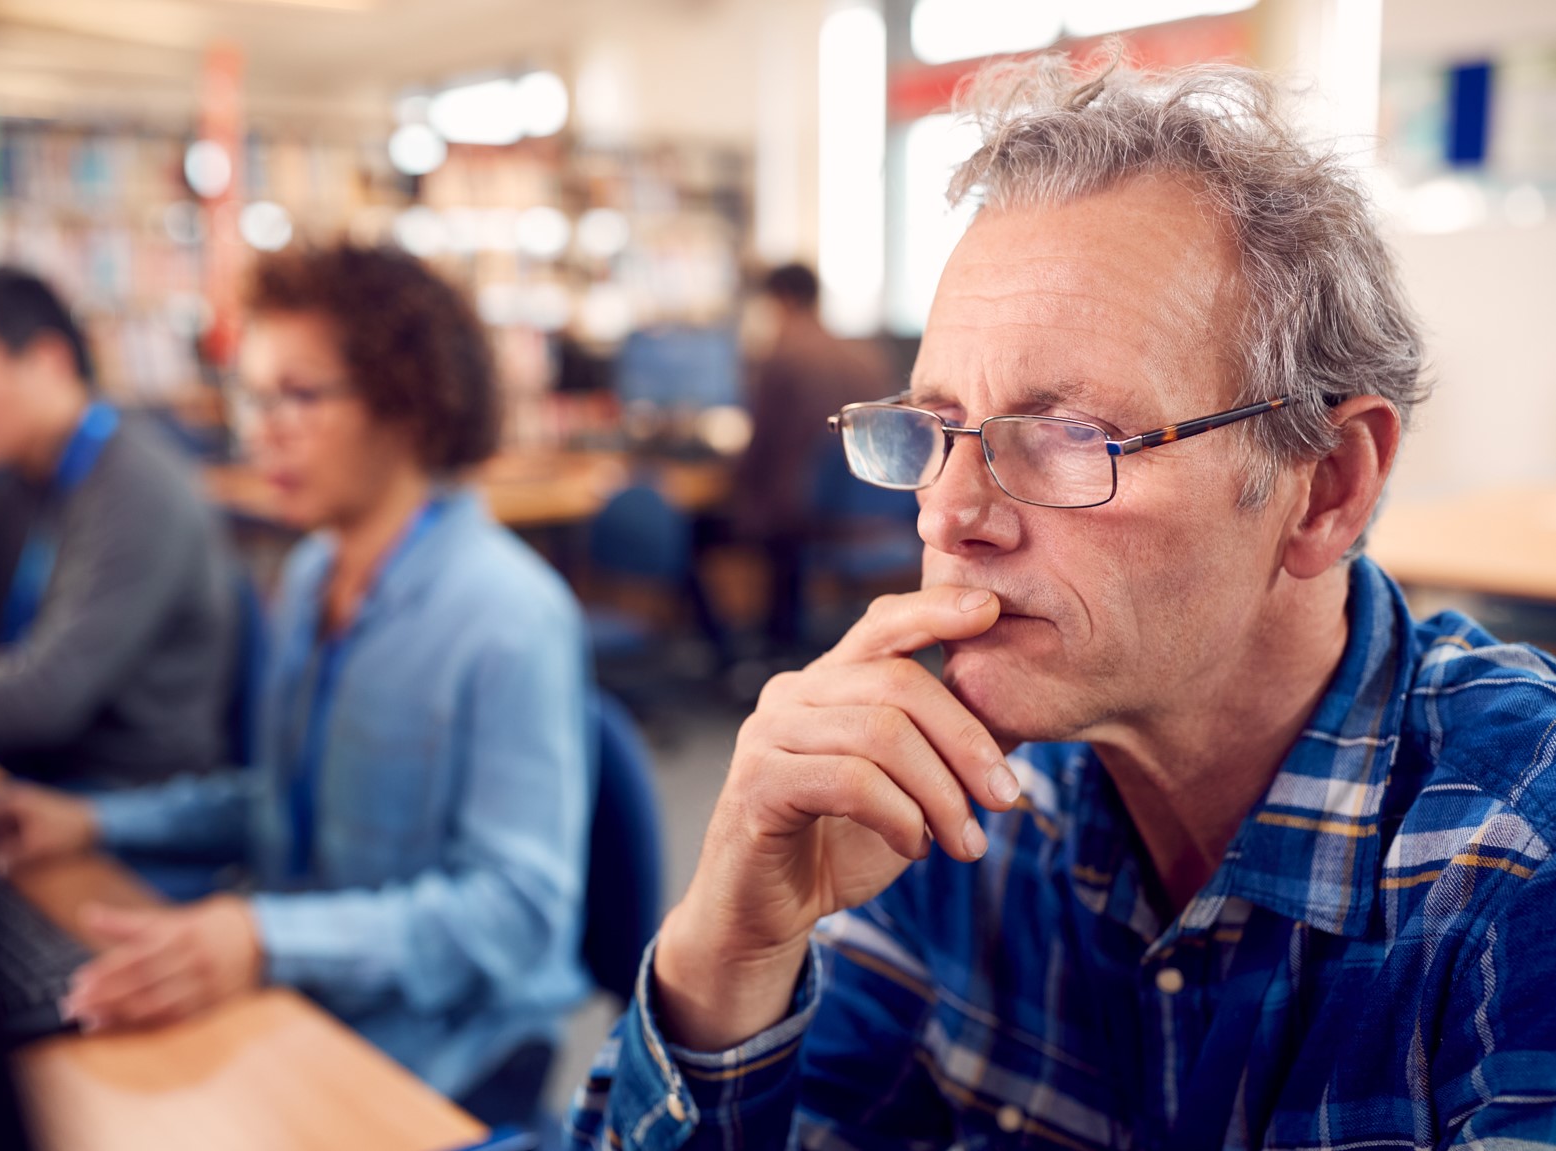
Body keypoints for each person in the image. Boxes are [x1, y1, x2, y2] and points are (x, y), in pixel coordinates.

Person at [567, 55, 1556, 1150]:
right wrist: (734, 952)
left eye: (1070, 433)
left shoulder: (1515, 860)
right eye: (934, 428)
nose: (946, 516)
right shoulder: (951, 795)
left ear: (1323, 485)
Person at [0, 245, 592, 1126]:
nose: (260, 431)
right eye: (252, 397)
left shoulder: (508, 614)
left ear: (406, 403)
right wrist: (92, 819)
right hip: (306, 990)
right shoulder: (307, 577)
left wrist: (262, 936)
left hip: (444, 1051)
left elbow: (516, 913)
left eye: (298, 395)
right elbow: (280, 801)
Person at [0, 268, 232, 786]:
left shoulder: (137, 487)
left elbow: (48, 697)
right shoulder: (22, 476)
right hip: (34, 772)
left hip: (121, 798)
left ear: (48, 361)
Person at [732, 263, 894, 652]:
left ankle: (749, 652)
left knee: (699, 528)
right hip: (878, 503)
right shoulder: (863, 355)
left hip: (809, 514)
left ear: (781, 300)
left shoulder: (783, 356)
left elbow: (760, 448)